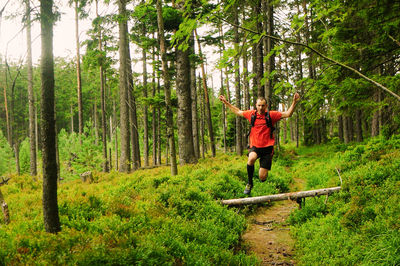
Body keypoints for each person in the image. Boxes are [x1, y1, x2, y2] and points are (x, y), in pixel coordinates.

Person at [218, 93, 300, 194]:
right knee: (251, 158)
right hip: (255, 147)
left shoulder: (271, 115)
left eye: (263, 105)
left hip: (267, 149)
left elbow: (287, 114)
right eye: (259, 105)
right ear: (256, 106)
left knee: (262, 177)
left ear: (266, 106)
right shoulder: (252, 114)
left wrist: (294, 102)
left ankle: (263, 173)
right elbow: (238, 111)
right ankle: (249, 183)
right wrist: (226, 103)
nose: (260, 107)